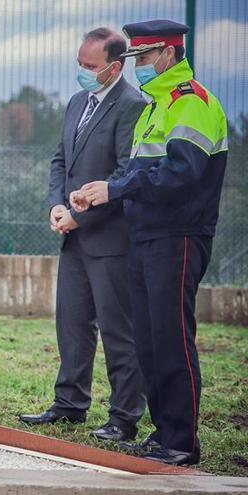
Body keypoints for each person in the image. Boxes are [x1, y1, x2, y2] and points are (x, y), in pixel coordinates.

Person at [71, 20, 228, 466]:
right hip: (145, 235)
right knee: (149, 340)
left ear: (168, 55)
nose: (136, 67)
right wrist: (102, 188)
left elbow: (181, 175)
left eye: (142, 59)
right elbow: (137, 173)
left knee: (172, 338)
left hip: (178, 236)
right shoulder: (155, 108)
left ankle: (181, 441)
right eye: (134, 59)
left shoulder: (191, 103)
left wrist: (117, 190)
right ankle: (163, 434)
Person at [18, 28, 147, 442]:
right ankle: (70, 404)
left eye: (91, 67)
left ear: (116, 65)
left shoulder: (132, 106)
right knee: (72, 324)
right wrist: (58, 205)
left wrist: (80, 215)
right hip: (72, 237)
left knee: (117, 329)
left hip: (110, 239)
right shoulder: (77, 102)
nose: (83, 71)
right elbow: (61, 160)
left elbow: (126, 173)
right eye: (80, 63)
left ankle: (125, 417)